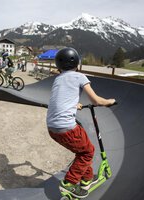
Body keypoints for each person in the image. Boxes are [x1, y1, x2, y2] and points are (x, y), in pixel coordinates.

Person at [46, 47, 115, 199]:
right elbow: (96, 100)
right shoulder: (80, 77)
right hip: (67, 127)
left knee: (82, 150)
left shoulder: (58, 79)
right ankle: (69, 184)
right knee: (87, 152)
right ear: (77, 63)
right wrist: (109, 101)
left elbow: (60, 99)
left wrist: (74, 105)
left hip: (52, 128)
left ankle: (86, 180)